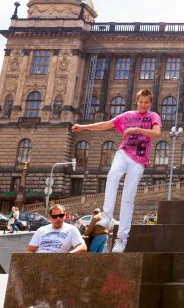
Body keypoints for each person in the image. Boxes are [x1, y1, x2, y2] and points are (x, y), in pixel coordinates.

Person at [72, 90, 162, 253]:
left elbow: (156, 133)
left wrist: (136, 129)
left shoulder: (153, 116)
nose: (143, 105)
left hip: (139, 160)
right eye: (141, 101)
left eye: (146, 102)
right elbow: (106, 124)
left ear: (150, 103)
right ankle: (107, 216)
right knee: (113, 175)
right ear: (136, 101)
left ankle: (121, 239)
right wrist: (83, 127)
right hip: (124, 152)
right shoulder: (127, 115)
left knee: (128, 198)